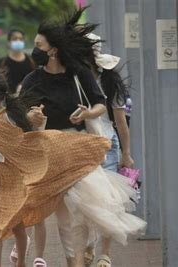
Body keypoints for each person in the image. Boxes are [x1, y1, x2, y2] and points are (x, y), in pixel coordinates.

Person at [0, 72, 146, 267]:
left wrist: (36, 121)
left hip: (16, 178)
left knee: (19, 227)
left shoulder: (11, 117)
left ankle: (24, 262)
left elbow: (34, 140)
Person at [19, 7, 110, 267]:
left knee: (89, 209)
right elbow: (21, 114)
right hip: (51, 153)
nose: (34, 49)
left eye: (39, 45)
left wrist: (87, 113)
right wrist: (31, 116)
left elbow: (100, 103)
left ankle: (89, 249)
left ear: (54, 50)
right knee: (65, 218)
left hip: (80, 150)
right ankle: (75, 262)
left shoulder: (78, 73)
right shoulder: (32, 79)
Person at [80, 33, 136, 267]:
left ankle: (105, 254)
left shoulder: (110, 83)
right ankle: (89, 242)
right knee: (83, 201)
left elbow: (121, 122)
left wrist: (126, 153)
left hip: (108, 146)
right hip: (81, 147)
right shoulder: (73, 81)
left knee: (108, 202)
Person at [0, 28, 36, 96]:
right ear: (8, 42)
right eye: (15, 39)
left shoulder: (32, 61)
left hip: (28, 98)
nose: (18, 41)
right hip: (8, 100)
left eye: (21, 39)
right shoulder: (2, 62)